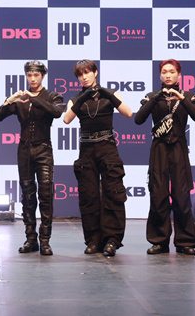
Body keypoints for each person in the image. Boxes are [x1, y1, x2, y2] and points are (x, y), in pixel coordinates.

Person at [0, 60, 65, 256]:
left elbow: (57, 112)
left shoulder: (52, 96)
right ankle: (30, 239)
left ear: (42, 76)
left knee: (46, 194)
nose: (32, 79)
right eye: (29, 75)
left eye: (36, 75)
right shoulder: (20, 98)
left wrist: (32, 98)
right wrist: (10, 100)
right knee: (27, 195)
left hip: (44, 149)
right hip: (24, 150)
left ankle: (45, 241)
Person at [62, 60, 132, 257]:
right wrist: (83, 97)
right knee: (89, 196)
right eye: (80, 74)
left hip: (107, 147)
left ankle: (112, 240)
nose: (84, 77)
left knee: (113, 193)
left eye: (87, 72)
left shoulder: (111, 94)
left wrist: (108, 94)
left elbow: (128, 113)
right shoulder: (76, 99)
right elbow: (66, 119)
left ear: (95, 73)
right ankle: (93, 240)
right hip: (86, 150)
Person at [134, 59, 195, 256]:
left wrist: (182, 98)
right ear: (160, 75)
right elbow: (138, 119)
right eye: (164, 72)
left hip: (179, 148)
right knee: (158, 195)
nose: (168, 75)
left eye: (172, 71)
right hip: (159, 149)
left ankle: (185, 241)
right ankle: (159, 241)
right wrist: (156, 97)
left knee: (182, 196)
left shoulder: (188, 96)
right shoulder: (152, 96)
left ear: (179, 75)